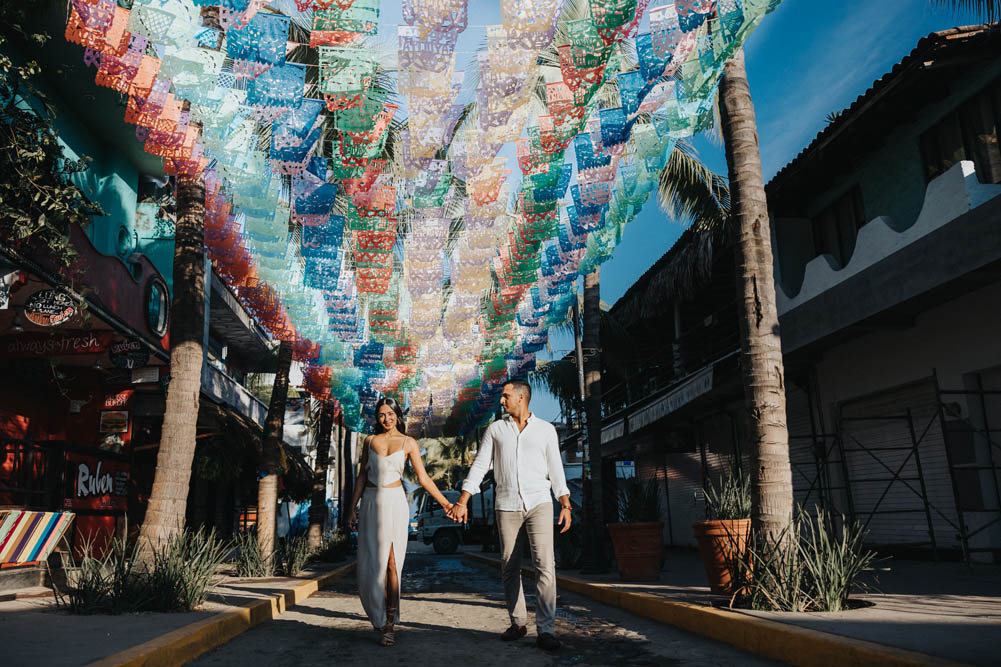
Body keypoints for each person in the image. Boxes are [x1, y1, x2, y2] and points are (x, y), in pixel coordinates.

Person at [448, 379, 572, 652]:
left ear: (521, 397)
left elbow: (556, 469)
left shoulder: (546, 430)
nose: (501, 401)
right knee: (509, 566)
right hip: (506, 504)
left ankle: (546, 630)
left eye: (505, 396)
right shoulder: (495, 430)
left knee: (545, 566)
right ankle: (518, 623)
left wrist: (565, 503)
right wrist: (463, 500)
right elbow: (480, 467)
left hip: (540, 502)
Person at [347, 397, 453, 647]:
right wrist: (351, 509)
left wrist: (445, 503)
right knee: (372, 564)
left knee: (393, 564)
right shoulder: (370, 441)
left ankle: (390, 623)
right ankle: (377, 614)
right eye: (382, 414)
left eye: (391, 414)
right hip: (371, 503)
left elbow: (424, 478)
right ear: (377, 417)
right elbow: (362, 477)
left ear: (397, 415)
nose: (387, 418)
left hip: (395, 503)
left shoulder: (408, 443)